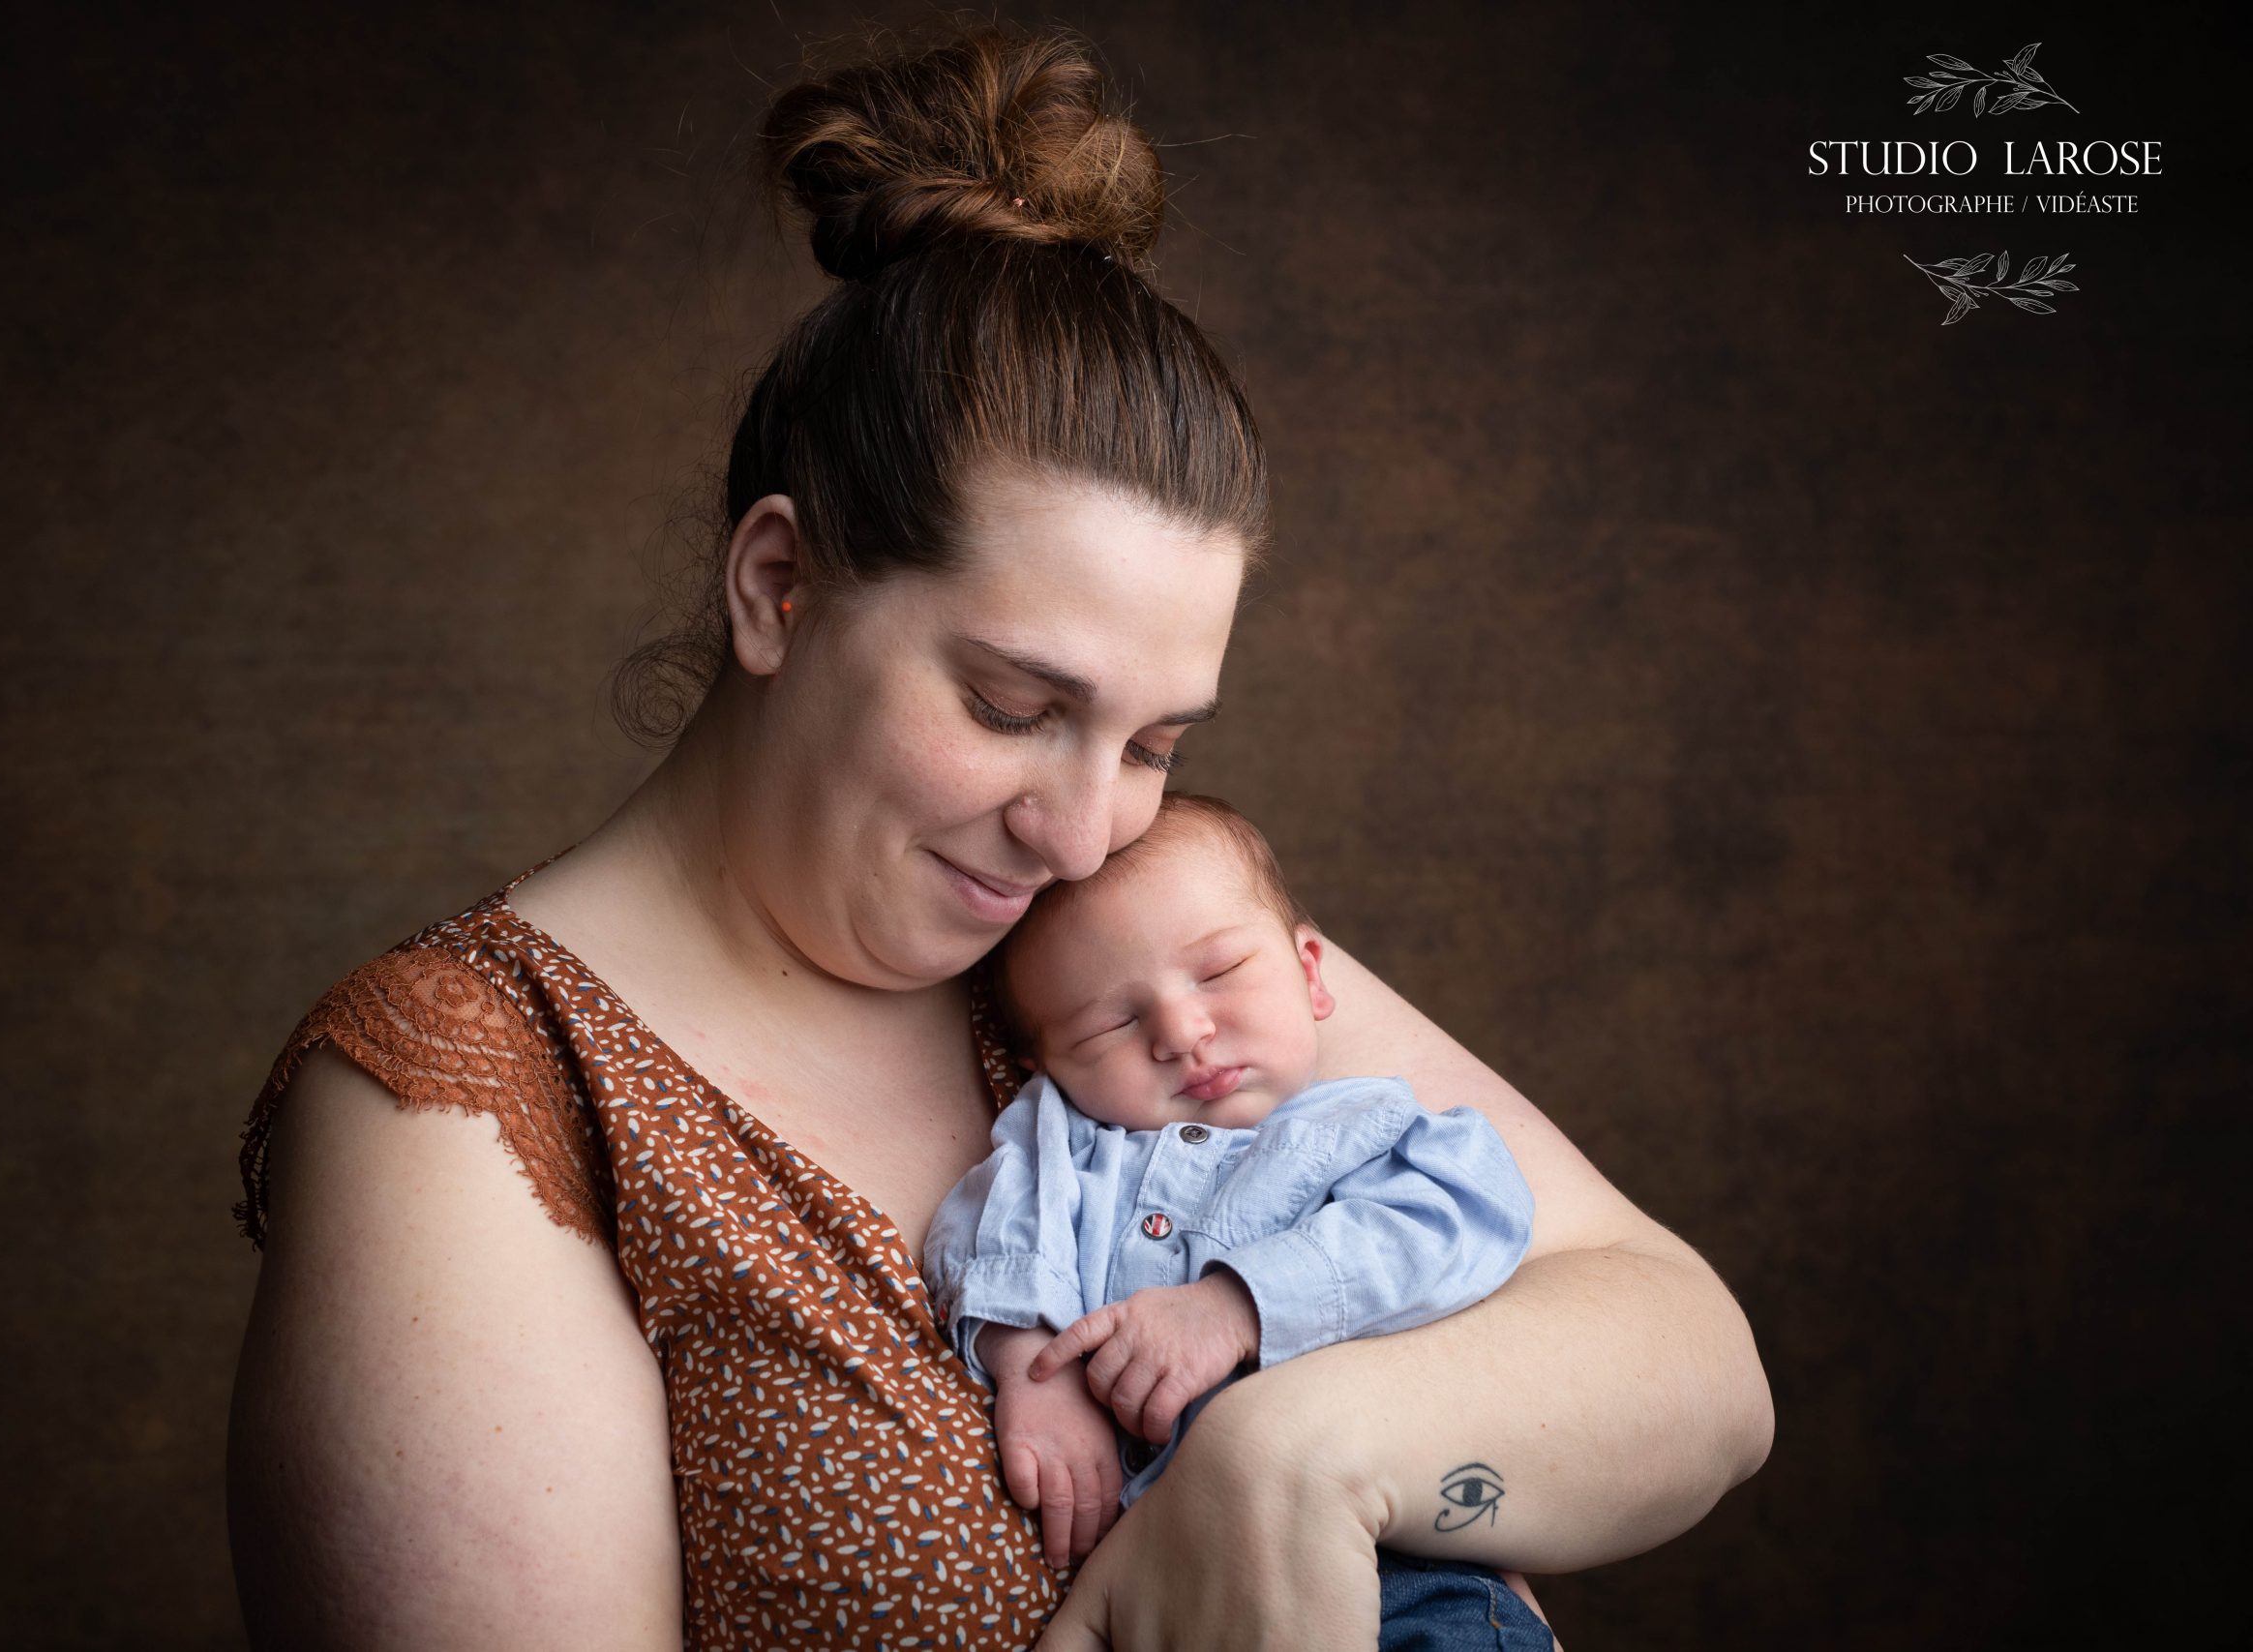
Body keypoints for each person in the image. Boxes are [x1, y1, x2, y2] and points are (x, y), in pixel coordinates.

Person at [224, 20, 1772, 1651]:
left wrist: (1296, 1452)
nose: (1082, 823)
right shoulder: (464, 1102)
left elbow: (1697, 1368)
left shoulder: (1114, 942)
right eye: (1019, 704)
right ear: (781, 586)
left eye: (1156, 742)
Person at [923, 792, 1554, 1651]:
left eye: (1218, 973)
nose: (1183, 1032)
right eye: (1112, 1020)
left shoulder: (1371, 1130)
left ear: (1311, 971)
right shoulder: (1065, 1147)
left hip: (1399, 1576)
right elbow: (984, 1231)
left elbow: (1465, 1216)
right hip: (1166, 1588)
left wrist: (1239, 1305)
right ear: (1046, 1065)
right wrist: (1035, 1366)